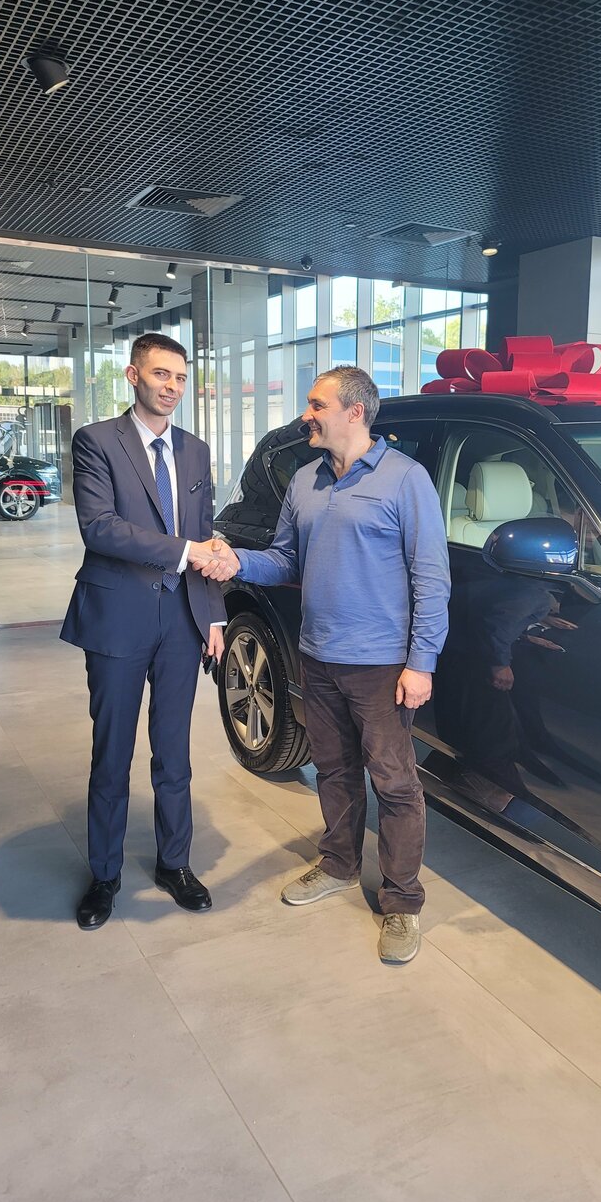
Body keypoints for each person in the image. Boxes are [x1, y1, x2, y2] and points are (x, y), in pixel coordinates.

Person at [197, 366, 450, 963]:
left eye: (316, 404)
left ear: (354, 411)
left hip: (380, 665)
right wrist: (237, 562)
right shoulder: (306, 480)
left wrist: (421, 662)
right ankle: (338, 865)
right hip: (317, 654)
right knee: (333, 770)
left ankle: (402, 901)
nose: (305, 415)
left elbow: (431, 578)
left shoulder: (404, 479)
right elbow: (286, 560)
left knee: (395, 783)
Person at [60, 333, 227, 930]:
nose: (172, 387)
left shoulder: (196, 451)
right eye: (161, 374)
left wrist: (213, 614)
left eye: (180, 378)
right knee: (112, 754)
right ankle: (104, 875)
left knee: (174, 751)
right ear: (133, 376)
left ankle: (174, 863)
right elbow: (100, 528)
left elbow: (205, 533)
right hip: (118, 617)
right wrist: (186, 551)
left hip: (182, 620)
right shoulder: (97, 441)